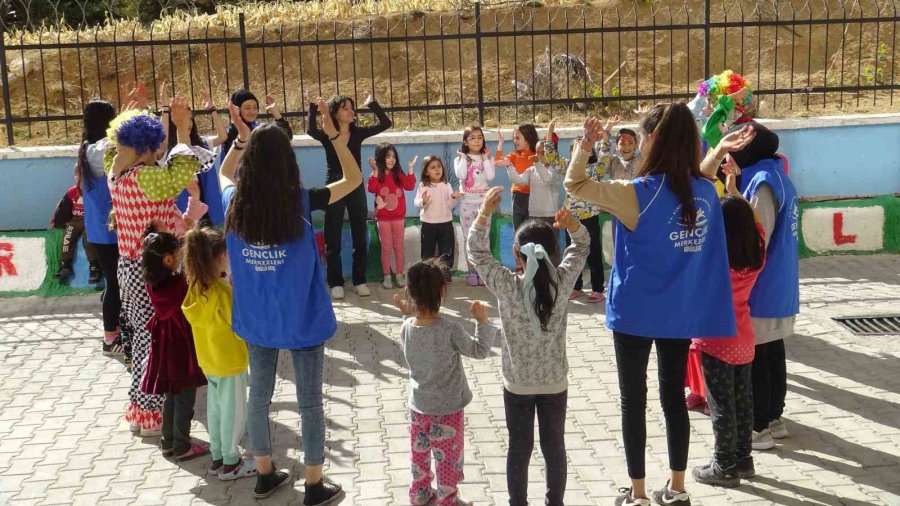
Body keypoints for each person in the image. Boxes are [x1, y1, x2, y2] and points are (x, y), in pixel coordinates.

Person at [564, 110, 755, 506]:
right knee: (673, 400)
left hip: (634, 314)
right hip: (679, 314)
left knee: (633, 400)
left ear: (652, 140)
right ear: (691, 144)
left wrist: (585, 145)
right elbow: (692, 180)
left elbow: (575, 183)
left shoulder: (636, 192)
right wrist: (718, 150)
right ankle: (677, 488)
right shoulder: (706, 192)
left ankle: (636, 493)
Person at [218, 96, 361, 502]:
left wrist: (240, 140)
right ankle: (314, 485)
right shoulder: (301, 199)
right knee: (310, 402)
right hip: (302, 317)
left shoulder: (234, 203)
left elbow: (224, 173)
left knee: (258, 395)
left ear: (252, 162)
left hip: (258, 319)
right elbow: (351, 181)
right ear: (287, 161)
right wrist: (335, 139)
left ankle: (264, 474)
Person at [468, 187, 590, 506]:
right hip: (555, 382)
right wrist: (573, 224)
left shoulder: (507, 286)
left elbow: (476, 251)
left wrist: (483, 213)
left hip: (518, 383)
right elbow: (583, 244)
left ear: (515, 252)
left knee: (519, 450)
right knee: (555, 448)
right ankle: (555, 502)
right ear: (553, 250)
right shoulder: (562, 282)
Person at [106, 90, 202, 436]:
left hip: (128, 266)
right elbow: (181, 172)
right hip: (153, 271)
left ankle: (139, 408)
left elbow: (111, 151)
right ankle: (150, 414)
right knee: (153, 341)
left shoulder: (115, 174)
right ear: (148, 145)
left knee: (142, 338)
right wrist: (182, 129)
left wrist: (127, 118)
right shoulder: (147, 179)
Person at [392, 258, 498, 506]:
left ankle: (419, 495)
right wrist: (482, 321)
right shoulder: (450, 328)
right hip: (448, 410)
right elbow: (480, 351)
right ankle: (448, 500)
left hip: (419, 407)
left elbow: (414, 339)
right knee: (448, 459)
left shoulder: (406, 327)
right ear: (442, 291)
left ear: (410, 291)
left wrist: (407, 314)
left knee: (419, 454)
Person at [727, 122, 799, 451]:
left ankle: (759, 426)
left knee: (757, 354)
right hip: (779, 281)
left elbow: (758, 233)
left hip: (764, 283)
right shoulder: (776, 174)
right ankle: (774, 418)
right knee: (771, 350)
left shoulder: (762, 181)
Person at [691, 171, 766, 487]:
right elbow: (756, 221)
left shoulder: (715, 262)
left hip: (715, 341)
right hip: (745, 341)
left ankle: (723, 467)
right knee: (743, 402)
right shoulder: (756, 253)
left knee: (721, 406)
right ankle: (744, 460)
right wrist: (736, 195)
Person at [182, 224, 256, 480]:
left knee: (216, 411)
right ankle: (231, 462)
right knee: (234, 413)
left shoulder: (195, 289)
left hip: (209, 361)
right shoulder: (224, 293)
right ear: (219, 257)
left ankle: (218, 457)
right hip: (230, 361)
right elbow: (240, 328)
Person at [307, 92, 392, 300]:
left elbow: (385, 123)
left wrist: (372, 104)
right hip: (335, 184)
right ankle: (336, 282)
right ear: (335, 113)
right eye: (345, 108)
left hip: (355, 184)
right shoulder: (328, 134)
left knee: (360, 234)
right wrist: (312, 107)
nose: (351, 111)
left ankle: (359, 279)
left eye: (352, 108)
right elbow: (310, 130)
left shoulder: (357, 133)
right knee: (332, 235)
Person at [140, 224, 208, 461]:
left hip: (164, 344)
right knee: (185, 396)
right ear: (168, 260)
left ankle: (168, 442)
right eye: (178, 253)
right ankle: (182, 446)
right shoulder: (178, 284)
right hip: (180, 346)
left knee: (172, 393)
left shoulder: (153, 283)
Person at [76, 99, 123, 355]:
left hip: (102, 229)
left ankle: (115, 332)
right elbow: (116, 140)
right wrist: (129, 113)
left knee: (114, 283)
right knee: (115, 284)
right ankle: (110, 338)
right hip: (107, 232)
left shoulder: (89, 149)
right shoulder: (97, 151)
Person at [367, 143, 417, 289]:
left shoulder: (398, 174)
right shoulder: (377, 175)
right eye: (388, 156)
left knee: (399, 247)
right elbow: (372, 188)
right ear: (381, 158)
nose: (392, 160)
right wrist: (375, 171)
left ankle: (400, 275)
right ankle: (387, 276)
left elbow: (409, 186)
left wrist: (410, 168)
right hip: (383, 218)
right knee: (386, 248)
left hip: (399, 218)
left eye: (394, 156)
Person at [563, 136, 606, 303]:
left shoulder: (595, 169)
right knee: (572, 253)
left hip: (590, 218)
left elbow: (606, 156)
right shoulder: (567, 167)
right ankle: (576, 286)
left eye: (584, 149)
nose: (580, 152)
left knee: (593, 252)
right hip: (571, 220)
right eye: (576, 149)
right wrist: (549, 133)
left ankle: (597, 289)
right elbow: (551, 157)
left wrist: (606, 135)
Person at [454, 124, 495, 286]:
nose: (477, 141)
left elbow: (490, 176)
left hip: (484, 204)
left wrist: (485, 159)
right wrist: (464, 158)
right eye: (472, 138)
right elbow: (462, 175)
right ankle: (471, 271)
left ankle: (483, 271)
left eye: (480, 137)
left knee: (484, 238)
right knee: (469, 238)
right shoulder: (460, 160)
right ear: (465, 142)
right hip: (467, 204)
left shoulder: (486, 159)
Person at [414, 156, 461, 281]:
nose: (437, 169)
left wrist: (454, 197)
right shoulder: (423, 185)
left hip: (445, 222)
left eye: (439, 166)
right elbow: (416, 202)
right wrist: (423, 201)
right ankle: (426, 274)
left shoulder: (447, 185)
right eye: (433, 167)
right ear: (426, 171)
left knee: (447, 250)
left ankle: (444, 273)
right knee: (427, 250)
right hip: (428, 223)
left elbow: (450, 206)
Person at [505, 138, 566, 227]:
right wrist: (509, 166)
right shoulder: (533, 170)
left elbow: (546, 178)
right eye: (537, 152)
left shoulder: (556, 170)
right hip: (533, 214)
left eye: (543, 153)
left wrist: (537, 163)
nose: (539, 156)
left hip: (551, 216)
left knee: (550, 241)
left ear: (552, 154)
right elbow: (518, 181)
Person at [50, 183, 101, 283]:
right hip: (75, 220)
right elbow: (63, 207)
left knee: (88, 239)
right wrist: (59, 221)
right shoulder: (72, 191)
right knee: (68, 235)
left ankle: (94, 266)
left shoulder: (96, 190)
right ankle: (65, 265)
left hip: (90, 221)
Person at [495, 124, 539, 231]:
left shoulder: (538, 155)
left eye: (517, 138)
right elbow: (498, 161)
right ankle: (518, 247)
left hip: (534, 195)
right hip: (518, 195)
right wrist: (501, 143)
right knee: (518, 228)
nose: (514, 140)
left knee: (532, 228)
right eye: (514, 138)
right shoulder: (514, 155)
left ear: (528, 138)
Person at [598, 116, 643, 181]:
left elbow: (648, 140)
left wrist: (644, 118)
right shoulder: (612, 161)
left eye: (630, 143)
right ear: (616, 146)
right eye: (622, 143)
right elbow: (603, 151)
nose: (626, 147)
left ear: (636, 145)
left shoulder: (641, 160)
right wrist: (609, 126)